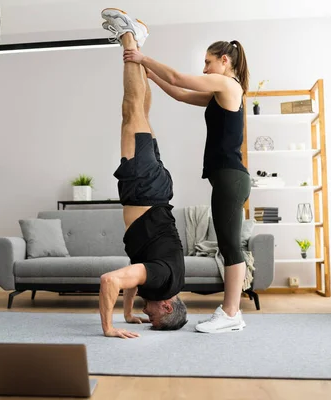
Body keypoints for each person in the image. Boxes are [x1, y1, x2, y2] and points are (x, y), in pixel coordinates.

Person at [117, 10, 252, 334]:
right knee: (228, 244)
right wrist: (148, 73)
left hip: (231, 177)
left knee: (230, 246)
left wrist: (143, 57)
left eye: (207, 62)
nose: (204, 68)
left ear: (224, 60)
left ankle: (231, 313)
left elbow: (178, 78)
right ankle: (231, 312)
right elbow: (177, 91)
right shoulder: (220, 92)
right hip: (226, 178)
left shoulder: (227, 84)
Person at [98, 8, 187, 339]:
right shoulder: (164, 281)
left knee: (140, 114)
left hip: (155, 189)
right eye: (152, 317)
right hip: (144, 188)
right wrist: (109, 327)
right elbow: (111, 280)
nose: (148, 317)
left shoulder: (167, 281)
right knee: (131, 110)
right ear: (166, 306)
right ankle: (128, 35)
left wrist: (128, 310)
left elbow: (135, 276)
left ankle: (140, 38)